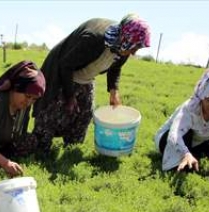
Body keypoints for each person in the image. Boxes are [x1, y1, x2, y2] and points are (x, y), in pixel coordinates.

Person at [31, 14, 151, 151]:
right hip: (60, 71)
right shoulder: (94, 39)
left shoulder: (122, 47)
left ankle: (72, 148)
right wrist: (70, 97)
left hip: (85, 77)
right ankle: (40, 148)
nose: (134, 53)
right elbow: (66, 65)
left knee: (85, 112)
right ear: (126, 38)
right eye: (135, 48)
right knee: (52, 112)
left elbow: (115, 67)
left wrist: (113, 91)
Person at [154, 67, 209, 177]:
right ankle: (182, 158)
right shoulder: (190, 107)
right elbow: (175, 134)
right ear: (202, 95)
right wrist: (185, 154)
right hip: (170, 138)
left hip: (201, 140)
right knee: (187, 168)